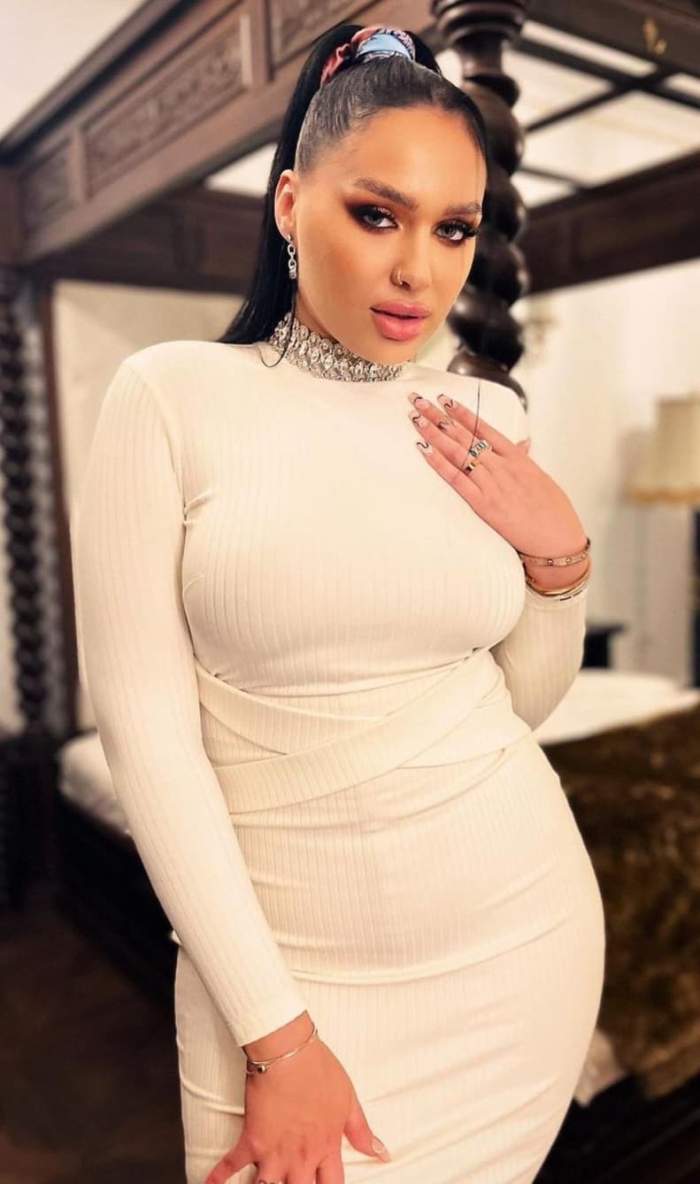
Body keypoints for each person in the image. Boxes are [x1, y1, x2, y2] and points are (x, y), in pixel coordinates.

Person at [72, 19, 606, 1184]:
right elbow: (150, 744)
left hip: (523, 947)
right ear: (288, 203)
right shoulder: (170, 397)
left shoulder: (485, 414)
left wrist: (560, 561)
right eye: (377, 214)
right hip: (284, 989)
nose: (420, 268)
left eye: (454, 227)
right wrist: (279, 1036)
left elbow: (514, 703)